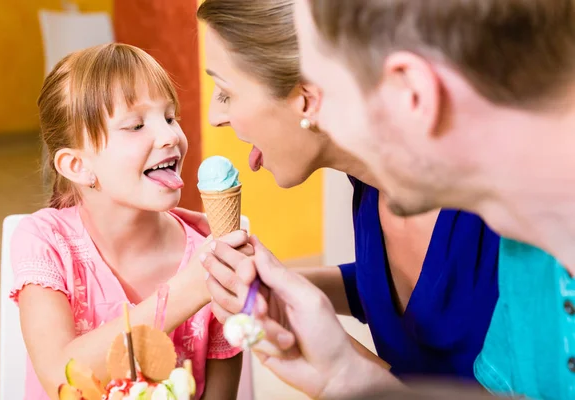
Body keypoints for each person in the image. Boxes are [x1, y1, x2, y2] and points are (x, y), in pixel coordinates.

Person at [203, 0, 575, 399]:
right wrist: (343, 376)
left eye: (324, 95)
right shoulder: (530, 261)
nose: (322, 121)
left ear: (411, 92)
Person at [10, 43, 246, 400]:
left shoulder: (209, 250)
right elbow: (61, 376)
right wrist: (191, 289)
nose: (170, 137)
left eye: (170, 117)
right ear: (78, 166)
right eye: (135, 125)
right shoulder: (45, 240)